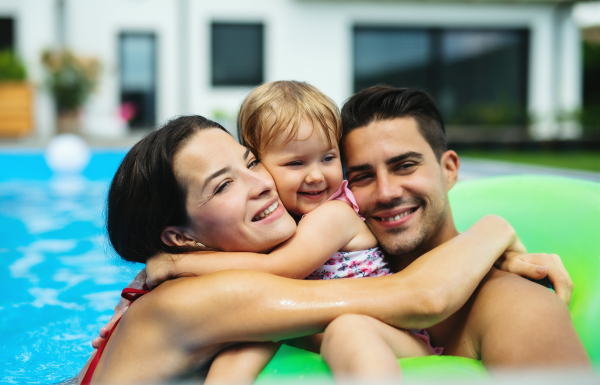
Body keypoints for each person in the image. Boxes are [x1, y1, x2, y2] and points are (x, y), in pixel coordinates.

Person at [78, 115, 568, 384]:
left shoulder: (196, 287)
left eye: (251, 162)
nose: (262, 185)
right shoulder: (200, 299)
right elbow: (421, 298)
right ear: (181, 238)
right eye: (224, 184)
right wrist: (493, 232)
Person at [145, 81, 439, 383]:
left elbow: (278, 268)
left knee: (350, 329)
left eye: (328, 158)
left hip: (394, 336)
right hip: (321, 327)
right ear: (260, 166)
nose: (315, 175)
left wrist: (175, 264)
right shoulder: (279, 226)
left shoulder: (335, 215)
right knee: (240, 339)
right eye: (295, 163)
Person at [339, 85, 590, 367]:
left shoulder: (516, 305)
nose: (386, 192)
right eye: (362, 176)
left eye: (405, 166)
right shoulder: (329, 274)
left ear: (449, 170)